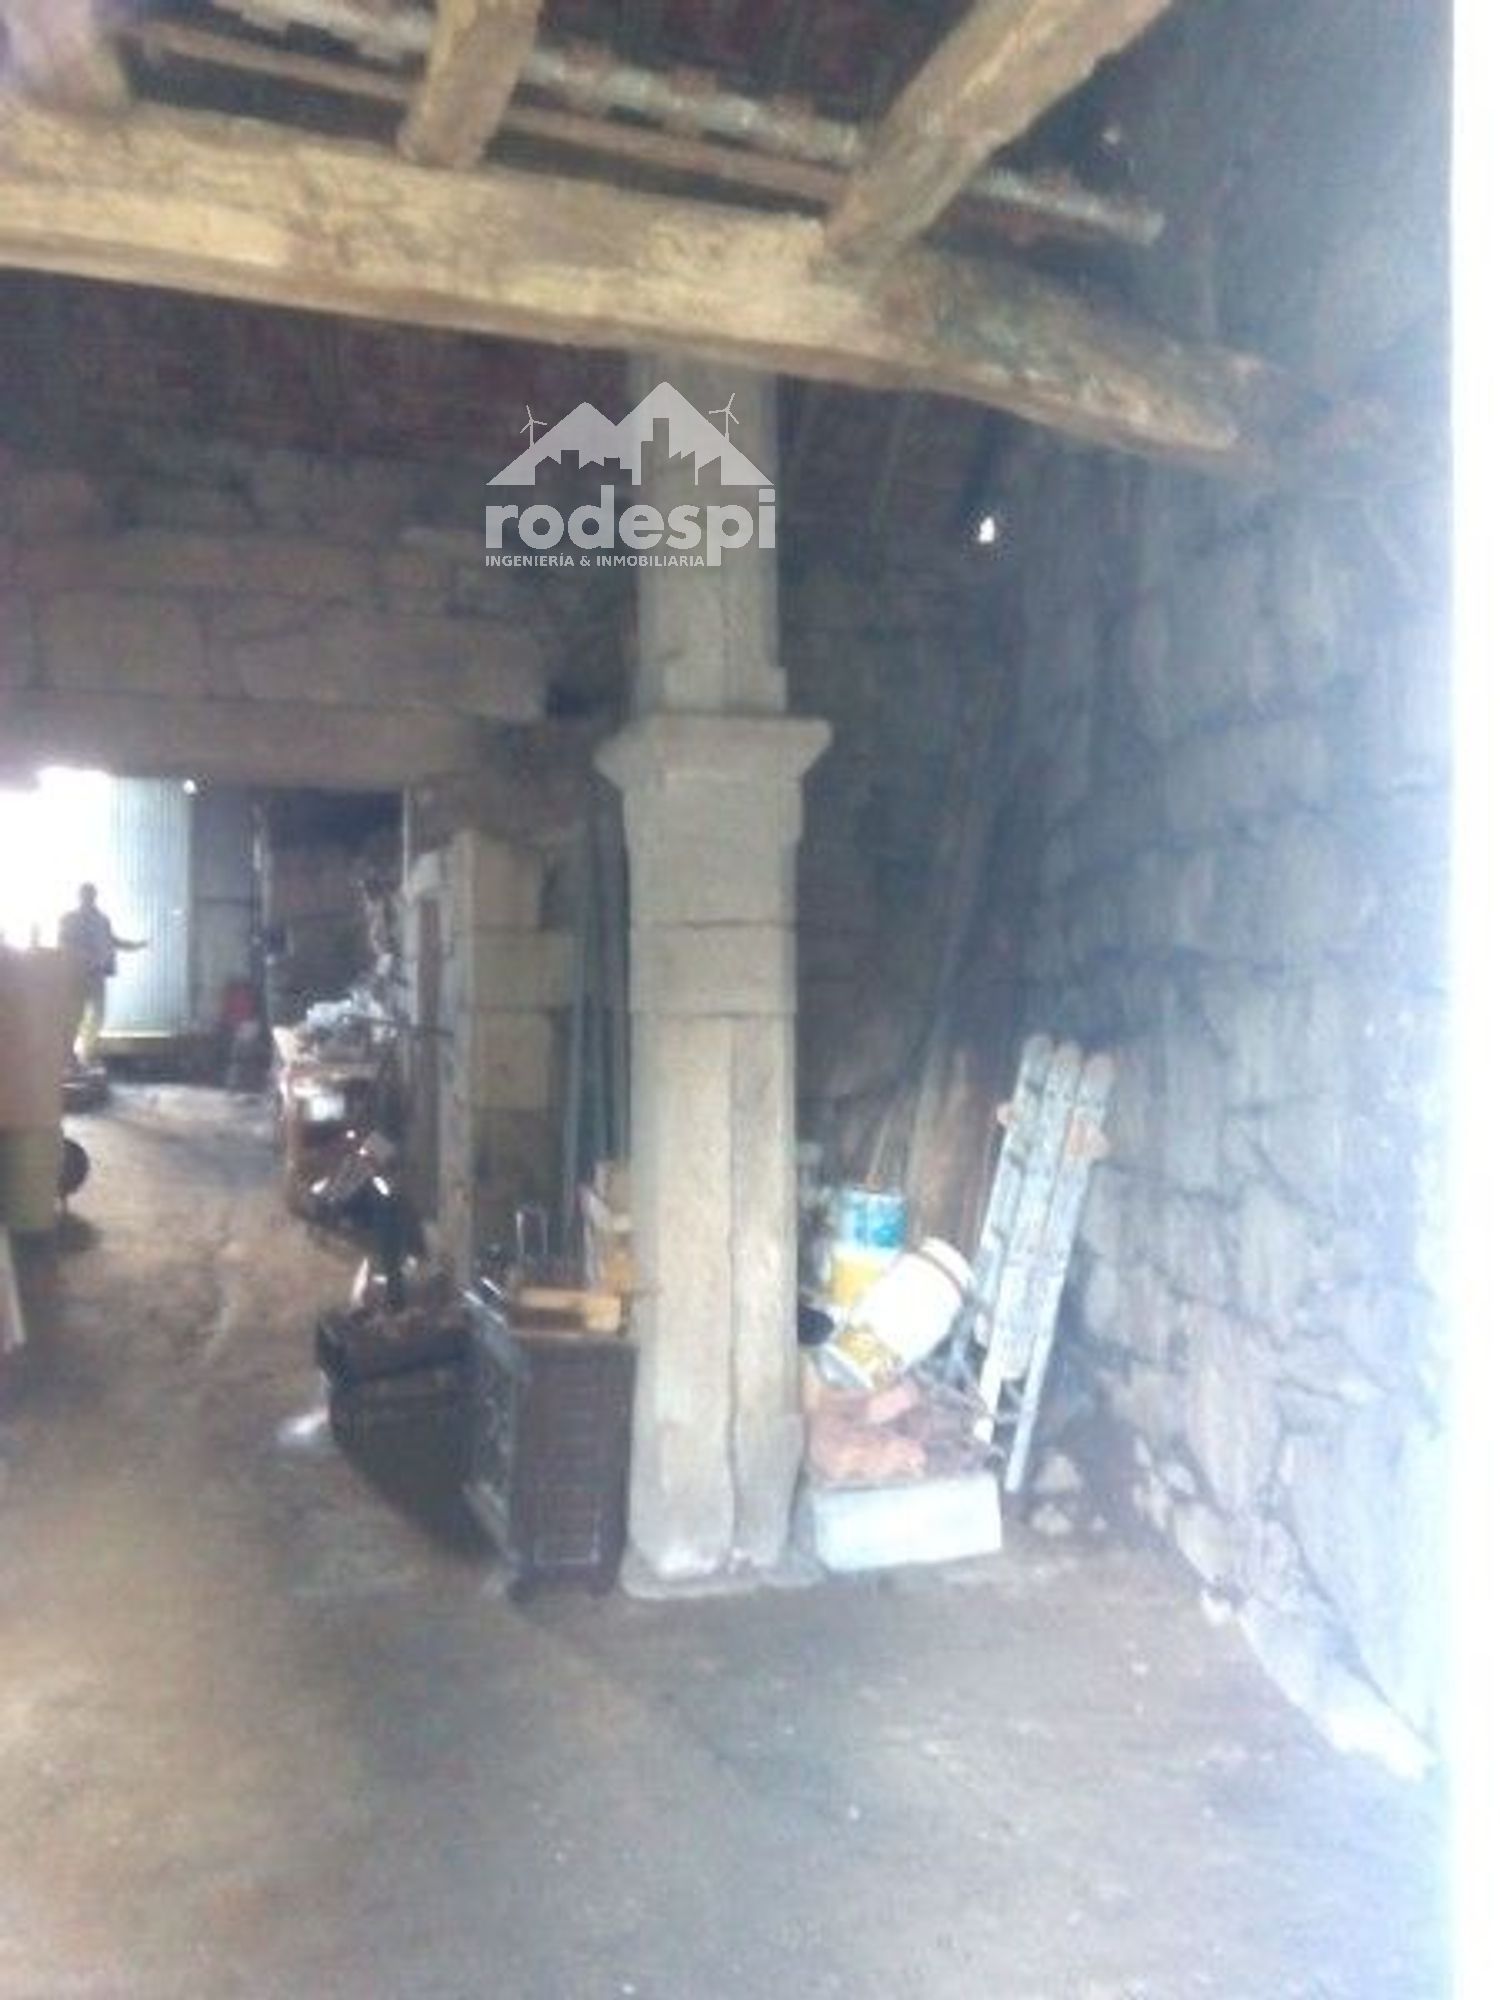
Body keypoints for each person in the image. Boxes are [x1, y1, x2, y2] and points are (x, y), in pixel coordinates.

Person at [58, 883, 146, 1069]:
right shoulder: (69, 919)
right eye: (86, 895)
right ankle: (69, 1054)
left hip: (97, 973)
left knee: (97, 1016)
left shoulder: (102, 920)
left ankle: (86, 1054)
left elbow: (112, 940)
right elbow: (63, 942)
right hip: (77, 974)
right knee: (76, 1015)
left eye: (91, 895)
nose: (89, 898)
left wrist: (134, 946)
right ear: (80, 896)